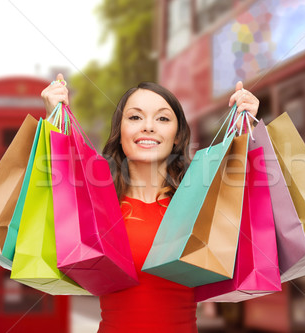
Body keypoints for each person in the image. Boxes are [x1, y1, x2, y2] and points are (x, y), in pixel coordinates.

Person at [41, 73, 260, 333]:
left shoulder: (200, 203)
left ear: (177, 136)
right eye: (135, 117)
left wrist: (249, 134)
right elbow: (51, 200)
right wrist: (54, 119)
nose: (148, 126)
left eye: (163, 118)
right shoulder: (99, 204)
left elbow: (255, 220)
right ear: (120, 133)